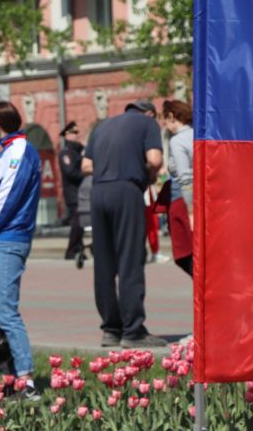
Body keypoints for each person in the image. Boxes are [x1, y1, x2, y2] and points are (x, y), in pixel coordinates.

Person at [81, 99, 165, 348]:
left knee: (104, 263)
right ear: (149, 113)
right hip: (127, 191)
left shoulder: (102, 126)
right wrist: (148, 174)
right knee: (130, 260)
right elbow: (155, 160)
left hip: (99, 193)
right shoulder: (148, 124)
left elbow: (86, 166)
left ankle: (111, 329)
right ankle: (133, 331)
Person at [0, 101, 42, 401]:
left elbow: (4, 201)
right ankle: (12, 375)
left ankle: (27, 381)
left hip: (9, 237)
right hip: (2, 237)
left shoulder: (18, 151)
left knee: (5, 311)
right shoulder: (8, 151)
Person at [161, 100, 194, 277]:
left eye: (165, 119)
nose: (164, 124)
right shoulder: (197, 134)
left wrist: (190, 211)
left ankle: (203, 288)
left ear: (172, 116)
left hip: (182, 200)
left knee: (184, 254)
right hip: (200, 199)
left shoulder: (177, 140)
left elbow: (184, 176)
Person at [59, 121, 85, 262]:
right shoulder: (66, 153)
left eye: (77, 132)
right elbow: (70, 172)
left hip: (80, 192)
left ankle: (79, 248)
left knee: (80, 222)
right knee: (77, 223)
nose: (76, 135)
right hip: (72, 193)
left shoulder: (77, 151)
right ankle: (71, 250)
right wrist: (86, 174)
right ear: (67, 135)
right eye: (74, 132)